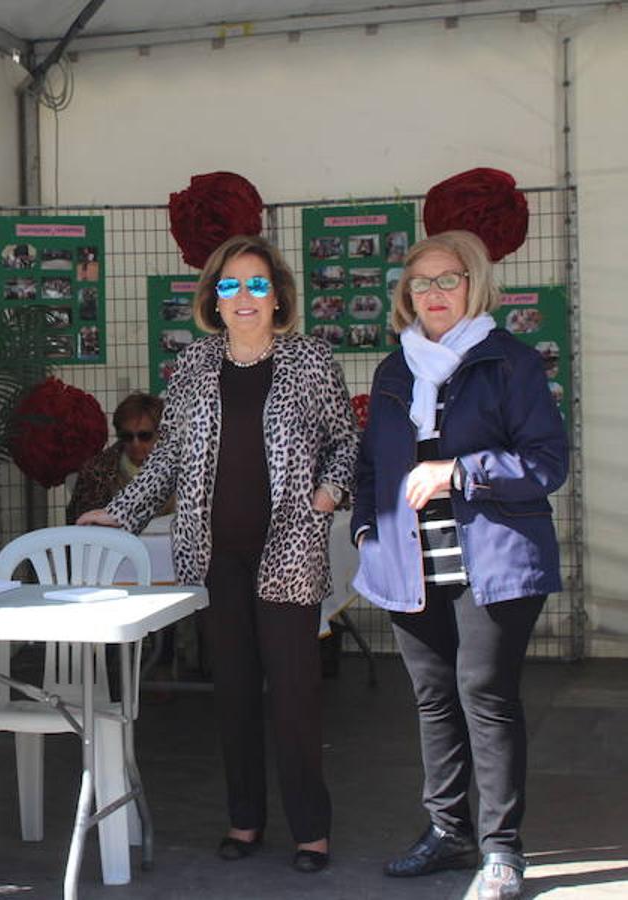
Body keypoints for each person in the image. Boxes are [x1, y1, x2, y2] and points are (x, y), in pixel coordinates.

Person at [78, 234, 358, 873]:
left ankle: (311, 829)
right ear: (213, 298)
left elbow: (346, 442)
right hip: (214, 553)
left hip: (289, 548)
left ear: (279, 294)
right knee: (233, 693)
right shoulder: (196, 365)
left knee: (294, 696)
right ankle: (245, 819)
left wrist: (327, 493)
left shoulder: (312, 359)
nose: (244, 297)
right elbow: (170, 456)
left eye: (257, 284)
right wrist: (121, 511)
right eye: (230, 285)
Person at [351, 230, 566, 900]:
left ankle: (501, 851)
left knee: (485, 694)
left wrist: (459, 472)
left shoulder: (512, 363)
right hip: (410, 564)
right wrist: (365, 529)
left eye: (448, 280)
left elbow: (545, 464)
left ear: (475, 285)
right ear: (404, 294)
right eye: (421, 283)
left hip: (495, 560)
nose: (434, 294)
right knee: (433, 698)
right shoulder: (394, 370)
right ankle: (449, 833)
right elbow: (371, 466)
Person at [64, 392, 173, 523]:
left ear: (160, 435)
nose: (135, 443)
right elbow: (84, 527)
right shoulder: (97, 474)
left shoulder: (183, 467)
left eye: (144, 436)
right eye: (127, 436)